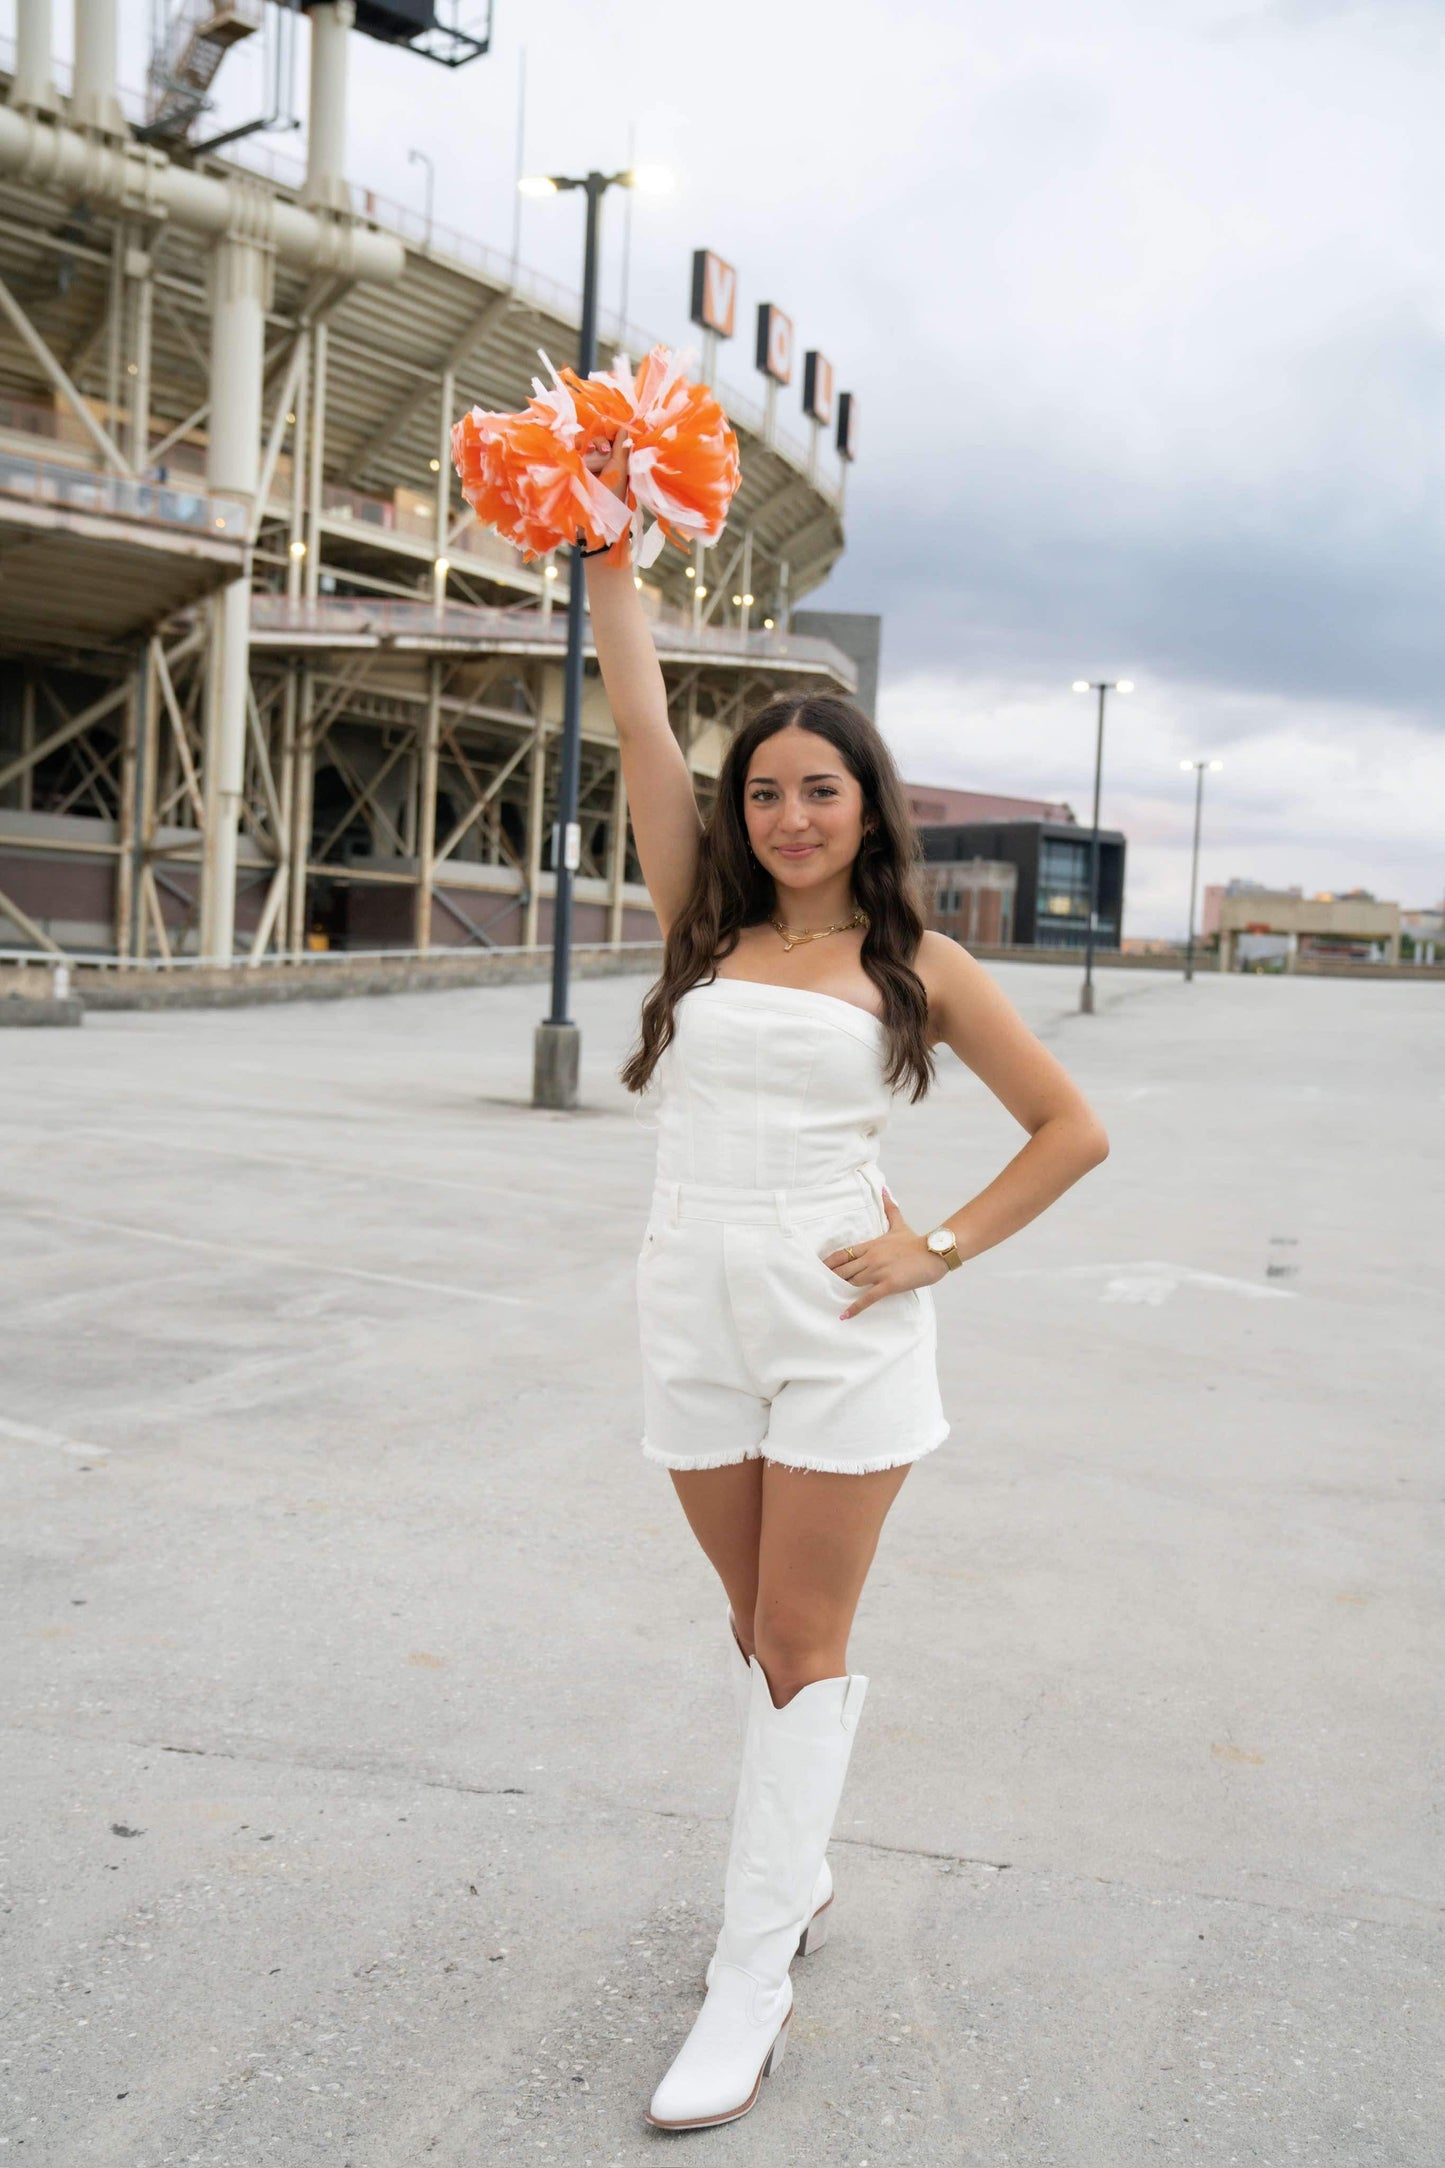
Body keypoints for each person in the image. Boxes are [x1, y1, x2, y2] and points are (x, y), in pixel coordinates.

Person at [581, 431, 1109, 2131]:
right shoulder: (700, 929)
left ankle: (750, 1975)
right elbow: (646, 734)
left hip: (840, 1322)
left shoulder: (917, 960)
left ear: (866, 804)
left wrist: (931, 1242)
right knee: (750, 1630)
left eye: (821, 787)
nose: (788, 814)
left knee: (802, 1638)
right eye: (765, 791)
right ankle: (788, 1879)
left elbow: (1068, 1130)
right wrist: (611, 564)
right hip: (690, 1310)